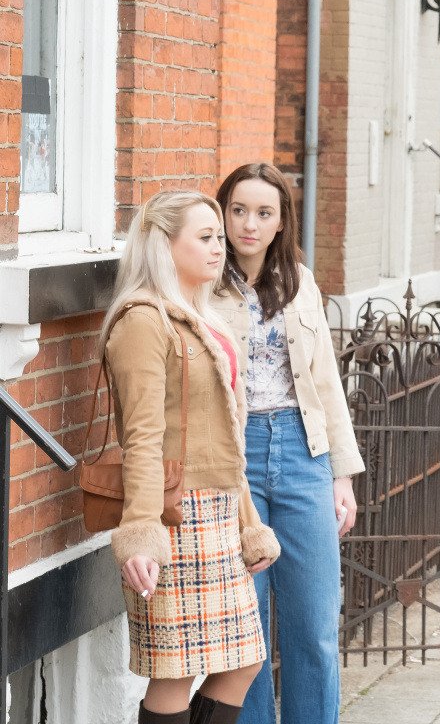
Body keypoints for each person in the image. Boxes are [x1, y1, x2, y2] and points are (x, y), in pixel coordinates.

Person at [103, 190, 281, 724]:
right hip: (175, 516)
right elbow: (141, 437)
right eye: (204, 238)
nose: (219, 248)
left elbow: (227, 441)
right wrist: (140, 532)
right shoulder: (143, 321)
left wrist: (249, 525)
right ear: (164, 244)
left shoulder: (203, 319)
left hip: (219, 513)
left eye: (218, 237)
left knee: (245, 661)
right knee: (174, 673)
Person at [211, 163, 366, 724]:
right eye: (238, 211)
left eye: (263, 213)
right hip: (236, 458)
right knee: (245, 627)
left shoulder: (299, 282)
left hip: (304, 452)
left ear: (281, 222)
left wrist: (341, 475)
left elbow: (326, 382)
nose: (249, 224)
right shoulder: (204, 286)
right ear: (223, 214)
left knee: (315, 624)